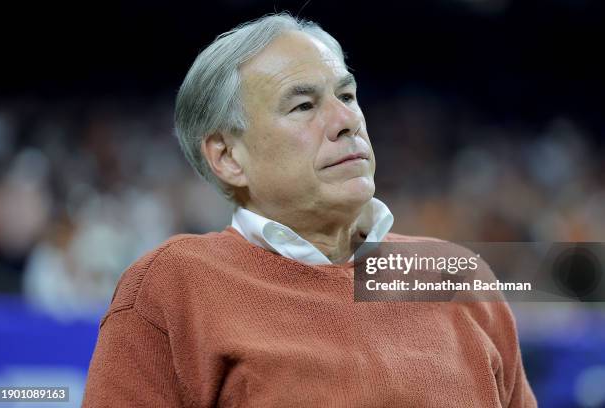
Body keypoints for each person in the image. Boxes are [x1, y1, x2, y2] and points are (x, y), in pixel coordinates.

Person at [82, 13, 536, 407]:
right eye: (303, 105)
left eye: (347, 96)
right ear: (227, 157)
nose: (346, 121)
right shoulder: (172, 287)